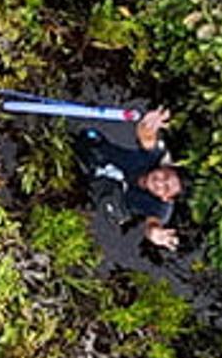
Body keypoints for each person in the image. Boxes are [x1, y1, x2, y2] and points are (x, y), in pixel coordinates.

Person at [72, 105, 183, 251]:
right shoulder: (155, 156)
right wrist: (147, 125)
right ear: (165, 167)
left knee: (110, 210)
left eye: (166, 187)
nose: (159, 181)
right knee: (87, 138)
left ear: (166, 197)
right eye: (165, 175)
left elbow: (152, 226)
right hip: (97, 154)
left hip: (105, 191)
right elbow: (147, 137)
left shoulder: (161, 209)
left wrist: (155, 234)